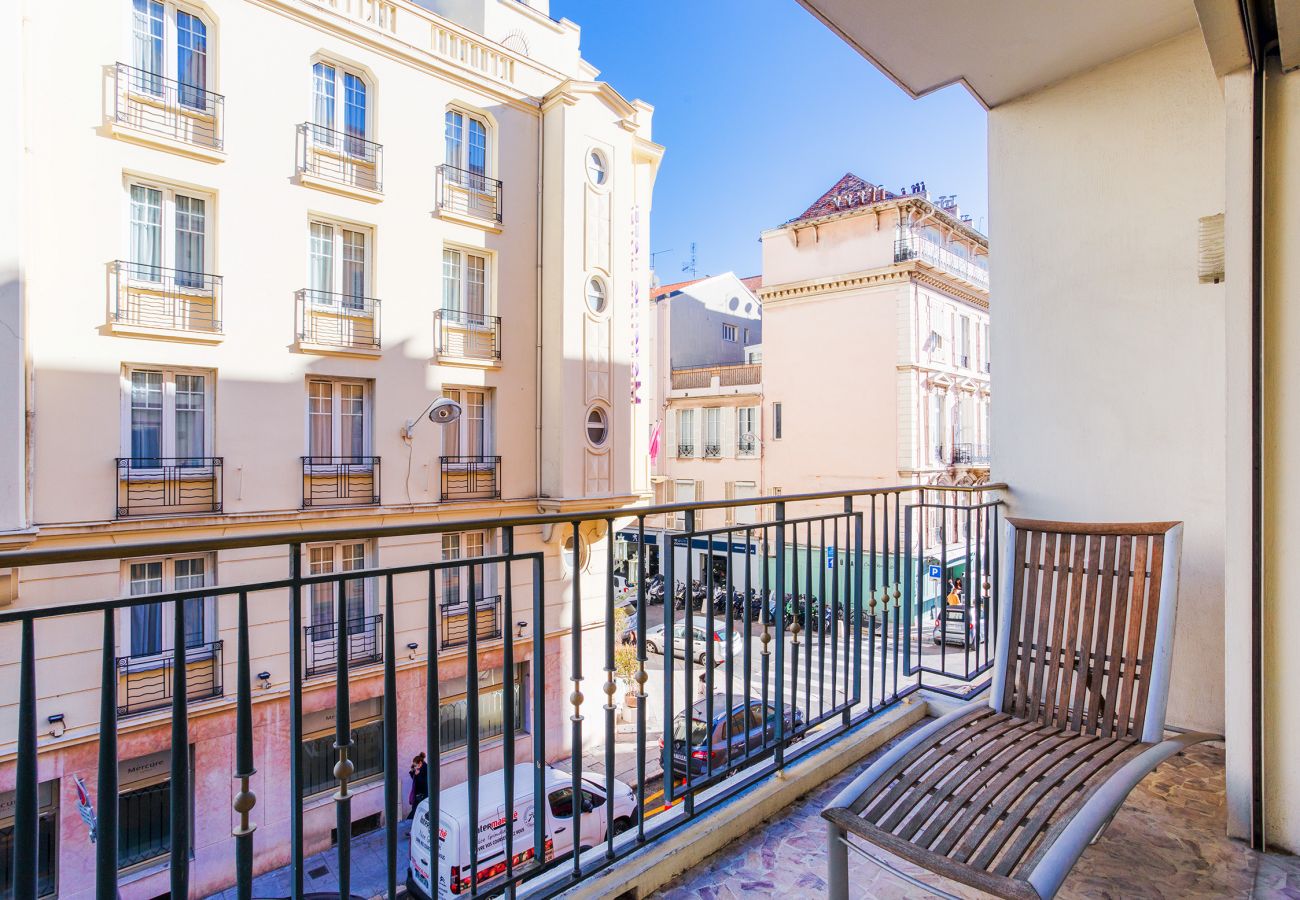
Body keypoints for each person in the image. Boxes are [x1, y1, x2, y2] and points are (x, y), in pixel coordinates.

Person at [407, 752, 428, 819]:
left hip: (422, 795)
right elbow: (414, 779)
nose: (415, 767)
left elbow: (423, 784)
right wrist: (412, 772)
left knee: (416, 810)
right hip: (418, 795)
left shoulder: (425, 770)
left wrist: (417, 775)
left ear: (420, 764)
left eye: (415, 765)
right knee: (415, 810)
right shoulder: (418, 769)